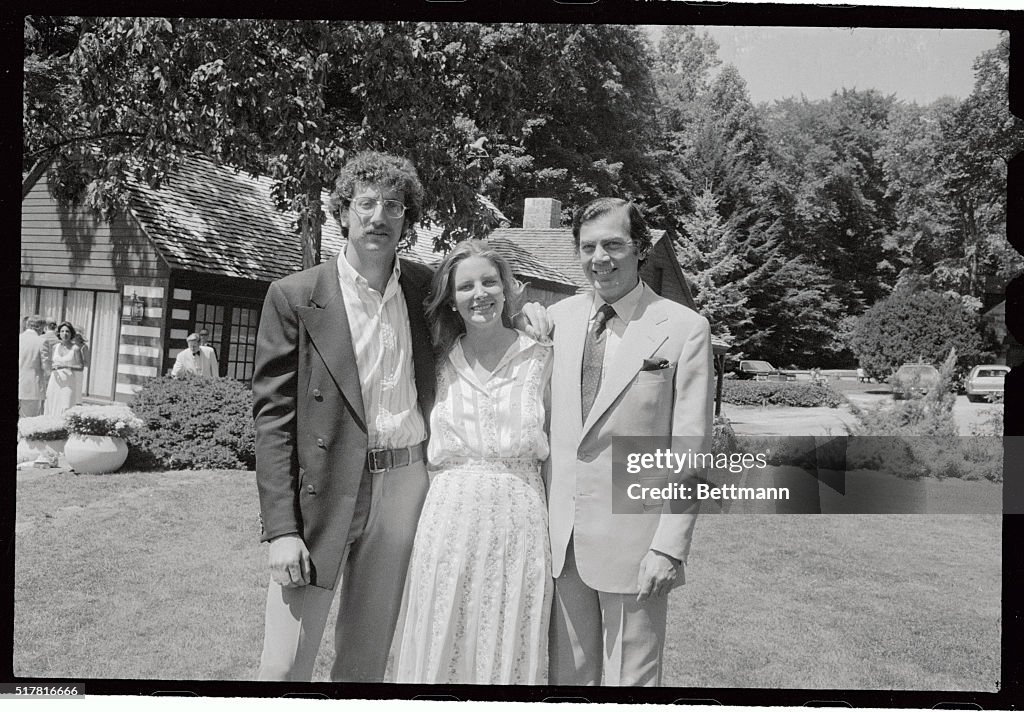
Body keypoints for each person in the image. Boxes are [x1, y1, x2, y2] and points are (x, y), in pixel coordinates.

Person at [253, 151, 438, 683]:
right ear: (342, 212)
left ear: (407, 218)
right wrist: (282, 529)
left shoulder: (426, 291)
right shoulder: (295, 296)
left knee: (366, 663)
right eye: (366, 204)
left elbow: (490, 309)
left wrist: (533, 316)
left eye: (394, 206)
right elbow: (272, 419)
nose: (379, 217)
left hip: (405, 484)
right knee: (284, 665)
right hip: (325, 486)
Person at [545, 198, 714, 686]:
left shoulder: (683, 329)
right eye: (589, 247)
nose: (601, 258)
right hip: (563, 543)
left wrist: (669, 546)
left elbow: (691, 449)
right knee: (567, 681)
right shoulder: (557, 320)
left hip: (638, 544)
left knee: (632, 686)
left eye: (614, 244)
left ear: (640, 249)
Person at [387, 240, 553, 684]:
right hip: (449, 518)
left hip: (521, 520)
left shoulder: (541, 356)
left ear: (507, 289)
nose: (479, 293)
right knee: (443, 631)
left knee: (511, 632)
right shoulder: (436, 362)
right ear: (452, 299)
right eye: (466, 286)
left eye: (489, 281)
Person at [44, 321, 85, 417]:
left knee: (66, 404)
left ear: (71, 334)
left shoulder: (75, 348)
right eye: (62, 331)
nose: (65, 334)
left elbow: (80, 366)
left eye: (67, 331)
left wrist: (66, 366)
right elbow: (50, 363)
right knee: (52, 403)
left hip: (68, 382)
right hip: (55, 380)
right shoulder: (55, 347)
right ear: (59, 333)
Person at [19, 315, 47, 417]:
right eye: (43, 328)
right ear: (39, 327)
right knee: (29, 419)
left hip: (21, 383)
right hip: (32, 386)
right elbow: (46, 366)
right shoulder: (41, 341)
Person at [39, 318, 60, 385]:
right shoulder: (59, 339)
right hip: (56, 367)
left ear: (46, 327)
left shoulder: (40, 338)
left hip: (42, 367)